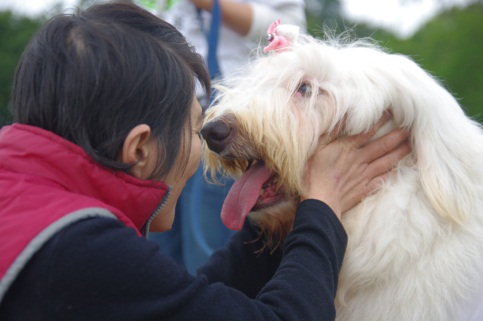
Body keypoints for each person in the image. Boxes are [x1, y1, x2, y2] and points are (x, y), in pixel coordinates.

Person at [0, 2, 410, 320]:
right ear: (139, 148)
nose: (206, 146)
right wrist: (322, 206)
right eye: (198, 129)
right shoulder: (83, 252)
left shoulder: (36, 213)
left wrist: (280, 205)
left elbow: (182, 304)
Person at [152, 0, 307, 273]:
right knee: (159, 257)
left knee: (208, 257)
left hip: (231, 120)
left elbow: (290, 31)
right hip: (162, 122)